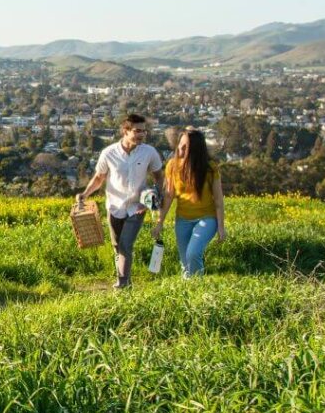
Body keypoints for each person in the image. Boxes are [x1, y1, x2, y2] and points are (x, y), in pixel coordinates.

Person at [76, 114, 164, 288]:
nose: (142, 135)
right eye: (137, 131)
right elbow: (99, 178)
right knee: (117, 246)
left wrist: (155, 197)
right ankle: (124, 281)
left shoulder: (149, 152)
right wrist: (85, 194)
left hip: (137, 207)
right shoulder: (109, 153)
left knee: (125, 245)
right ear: (125, 131)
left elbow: (159, 178)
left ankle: (122, 283)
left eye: (144, 131)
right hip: (114, 207)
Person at [153, 126, 226, 276]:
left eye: (186, 147)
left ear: (196, 150)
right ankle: (190, 291)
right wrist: (159, 222)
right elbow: (168, 195)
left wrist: (221, 227)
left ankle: (197, 286)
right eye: (180, 146)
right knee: (185, 262)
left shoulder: (210, 168)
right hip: (183, 219)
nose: (181, 150)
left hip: (207, 218)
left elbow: (218, 200)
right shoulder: (172, 166)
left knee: (193, 254)